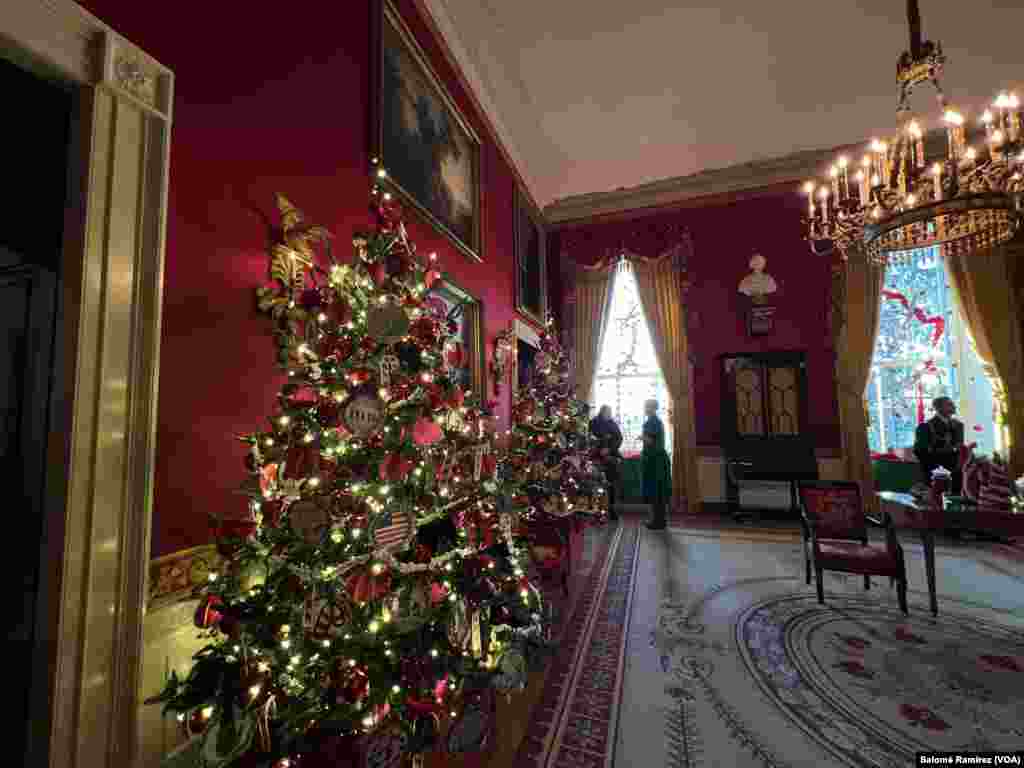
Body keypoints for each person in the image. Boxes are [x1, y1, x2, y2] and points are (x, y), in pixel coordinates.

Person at [913, 396, 965, 495]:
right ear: (939, 408)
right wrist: (937, 469)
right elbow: (919, 452)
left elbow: (959, 447)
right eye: (949, 404)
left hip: (957, 472)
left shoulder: (959, 426)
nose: (954, 406)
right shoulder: (925, 427)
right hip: (936, 474)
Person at [641, 399, 672, 530]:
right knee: (658, 491)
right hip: (656, 459)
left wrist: (643, 438)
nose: (645, 408)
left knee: (656, 492)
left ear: (652, 408)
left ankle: (658, 521)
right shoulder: (656, 421)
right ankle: (659, 520)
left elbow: (650, 440)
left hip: (655, 460)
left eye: (646, 406)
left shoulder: (652, 422)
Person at [589, 405, 623, 520]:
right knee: (596, 485)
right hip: (596, 458)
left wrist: (610, 449)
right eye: (608, 412)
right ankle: (596, 511)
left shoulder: (612, 423)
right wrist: (599, 449)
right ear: (602, 412)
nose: (610, 415)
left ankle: (612, 510)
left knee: (612, 485)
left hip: (611, 458)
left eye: (610, 413)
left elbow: (619, 438)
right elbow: (589, 439)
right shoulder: (593, 423)